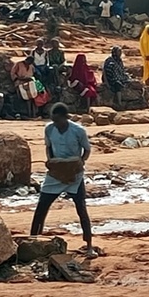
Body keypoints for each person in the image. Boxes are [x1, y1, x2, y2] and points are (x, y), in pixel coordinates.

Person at [30, 103, 96, 258]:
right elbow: (49, 147)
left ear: (65, 118)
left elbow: (86, 150)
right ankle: (33, 240)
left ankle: (89, 245)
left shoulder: (78, 131)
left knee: (81, 208)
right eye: (53, 120)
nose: (56, 124)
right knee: (42, 206)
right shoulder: (49, 129)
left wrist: (80, 162)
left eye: (58, 121)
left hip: (74, 173)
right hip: (56, 172)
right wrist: (51, 161)